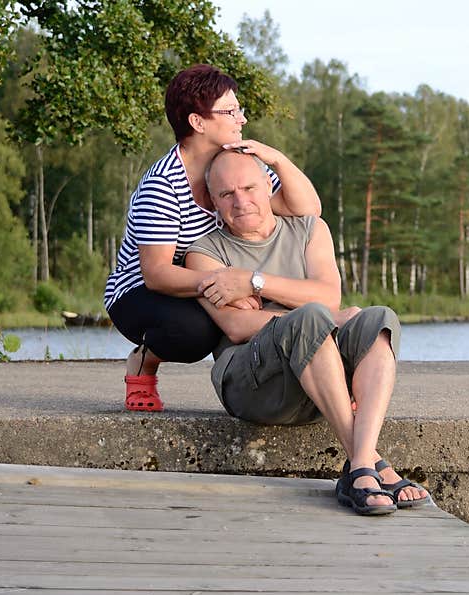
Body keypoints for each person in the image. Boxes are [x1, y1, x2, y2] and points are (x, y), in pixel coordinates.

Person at [184, 149, 430, 515]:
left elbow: (330, 294)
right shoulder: (204, 252)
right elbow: (236, 327)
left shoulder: (310, 230)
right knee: (312, 316)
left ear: (268, 185)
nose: (241, 201)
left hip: (319, 386)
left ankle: (358, 466)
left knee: (378, 318)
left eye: (249, 187)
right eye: (226, 194)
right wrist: (312, 317)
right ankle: (370, 464)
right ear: (212, 201)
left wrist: (253, 283)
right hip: (253, 387)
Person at [104, 64, 321, 412]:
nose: (241, 119)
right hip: (142, 294)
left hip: (207, 280)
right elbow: (157, 273)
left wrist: (277, 160)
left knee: (271, 302)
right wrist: (231, 285)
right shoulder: (163, 185)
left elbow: (307, 210)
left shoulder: (236, 166)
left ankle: (306, 385)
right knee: (196, 332)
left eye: (240, 110)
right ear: (197, 122)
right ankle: (143, 363)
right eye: (230, 111)